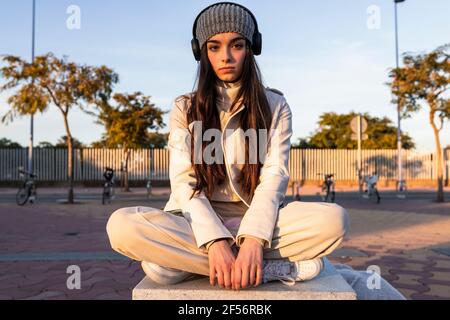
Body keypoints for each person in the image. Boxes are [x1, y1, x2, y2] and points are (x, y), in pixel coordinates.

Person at [106, 2, 403, 299]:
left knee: (334, 221)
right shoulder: (184, 107)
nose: (225, 56)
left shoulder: (275, 106)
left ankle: (211, 263)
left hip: (262, 222)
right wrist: (216, 241)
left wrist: (253, 240)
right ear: (201, 52)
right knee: (122, 227)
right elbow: (184, 184)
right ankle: (273, 268)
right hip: (196, 221)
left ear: (251, 48)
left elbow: (275, 176)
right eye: (214, 47)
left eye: (236, 45)